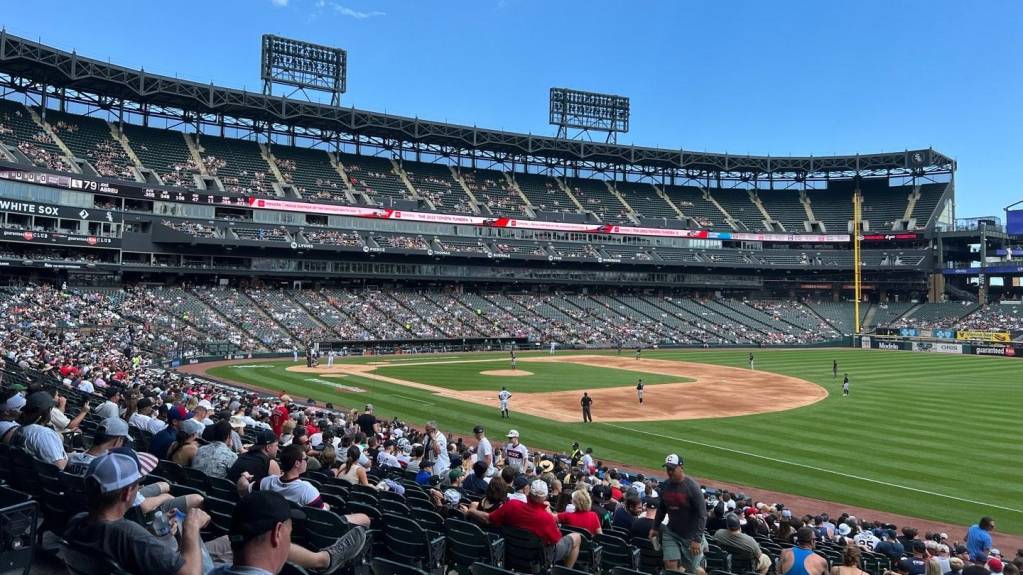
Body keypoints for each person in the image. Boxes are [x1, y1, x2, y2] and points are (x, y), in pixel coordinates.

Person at [63, 450, 212, 575]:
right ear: (128, 493)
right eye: (137, 484)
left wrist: (150, 533)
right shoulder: (129, 534)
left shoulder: (76, 521)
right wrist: (191, 528)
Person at [208, 490, 367, 575]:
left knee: (250, 541)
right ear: (278, 532)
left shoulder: (200, 564)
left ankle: (324, 559)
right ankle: (324, 560)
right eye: (288, 533)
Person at [465, 479, 582, 568]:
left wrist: (472, 511)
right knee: (576, 537)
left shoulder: (512, 505)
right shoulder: (547, 518)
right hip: (537, 559)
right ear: (545, 496)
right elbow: (556, 540)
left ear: (528, 493)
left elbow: (488, 518)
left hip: (511, 552)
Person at [651, 454, 707, 575]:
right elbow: (661, 509)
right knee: (670, 566)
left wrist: (697, 539)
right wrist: (655, 527)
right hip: (671, 533)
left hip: (690, 536)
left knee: (693, 569)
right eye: (668, 469)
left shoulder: (692, 487)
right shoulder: (665, 485)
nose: (669, 472)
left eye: (672, 468)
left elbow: (702, 515)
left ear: (681, 467)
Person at [9, 391, 67, 469]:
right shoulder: (44, 434)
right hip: (39, 479)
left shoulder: (18, 429)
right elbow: (59, 467)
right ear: (47, 411)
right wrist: (68, 458)